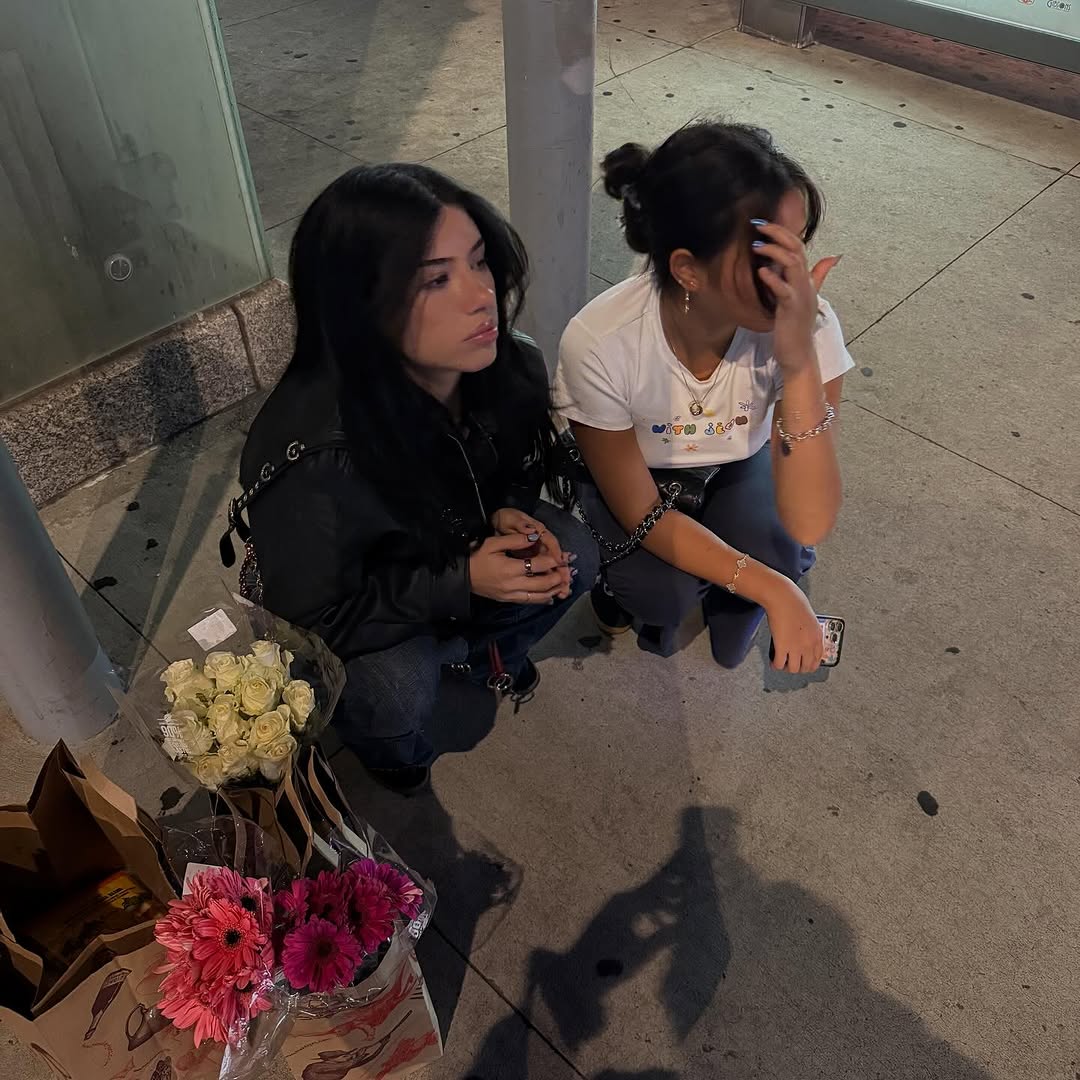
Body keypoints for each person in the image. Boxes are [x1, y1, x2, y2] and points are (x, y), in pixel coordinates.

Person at [233, 164, 598, 794]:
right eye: (435, 280)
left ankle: (487, 658)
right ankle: (395, 754)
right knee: (393, 689)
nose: (480, 295)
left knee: (574, 555)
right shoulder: (316, 456)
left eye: (478, 262)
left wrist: (506, 511)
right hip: (364, 597)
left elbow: (515, 469)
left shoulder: (509, 362)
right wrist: (461, 580)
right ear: (360, 306)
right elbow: (314, 617)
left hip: (451, 546)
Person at [553, 121, 854, 673]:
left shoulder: (805, 324)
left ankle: (738, 598)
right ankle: (620, 589)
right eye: (768, 255)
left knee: (783, 544)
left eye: (797, 245)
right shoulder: (600, 343)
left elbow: (811, 519)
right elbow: (640, 510)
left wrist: (799, 365)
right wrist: (774, 588)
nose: (795, 280)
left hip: (740, 462)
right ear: (688, 270)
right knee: (659, 593)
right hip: (643, 477)